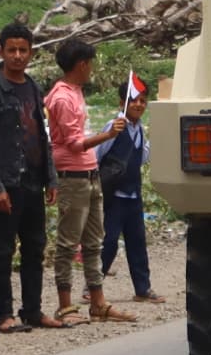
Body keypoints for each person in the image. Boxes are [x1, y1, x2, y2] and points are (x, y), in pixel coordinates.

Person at [0, 22, 61, 334]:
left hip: (34, 183)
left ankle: (33, 310)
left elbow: (44, 135)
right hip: (8, 185)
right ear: (1, 52)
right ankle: (3, 315)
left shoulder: (34, 88)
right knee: (2, 250)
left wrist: (51, 178)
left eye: (23, 50)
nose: (17, 56)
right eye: (11, 50)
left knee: (35, 247)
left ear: (31, 52)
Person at [45, 38, 133, 326]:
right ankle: (66, 306)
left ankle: (97, 302)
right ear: (81, 65)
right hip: (73, 177)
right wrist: (108, 135)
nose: (92, 69)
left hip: (89, 174)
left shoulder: (74, 92)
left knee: (94, 242)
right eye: (90, 64)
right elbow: (73, 144)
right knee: (69, 243)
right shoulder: (63, 98)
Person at [96, 84, 160, 304]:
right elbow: (97, 155)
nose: (139, 105)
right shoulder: (114, 126)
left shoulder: (139, 129)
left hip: (133, 195)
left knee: (137, 243)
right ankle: (93, 287)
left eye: (143, 101)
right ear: (122, 102)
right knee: (110, 241)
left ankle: (142, 289)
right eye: (134, 100)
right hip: (115, 195)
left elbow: (140, 158)